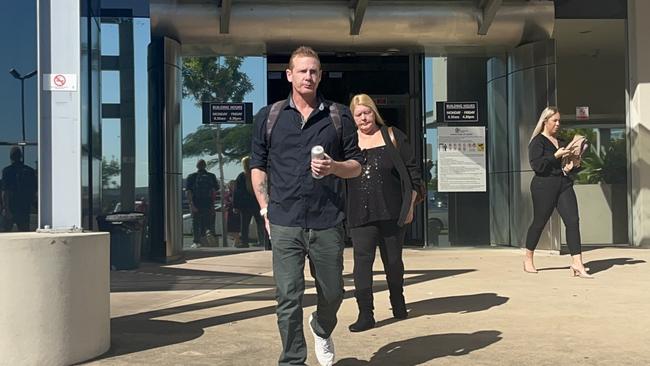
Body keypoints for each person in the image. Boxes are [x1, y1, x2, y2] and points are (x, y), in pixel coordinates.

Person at [250, 46, 363, 366]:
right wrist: (264, 208)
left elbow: (357, 165)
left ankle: (322, 326)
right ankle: (292, 359)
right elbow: (257, 165)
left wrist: (333, 168)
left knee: (334, 292)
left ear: (320, 75)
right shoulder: (269, 117)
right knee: (287, 297)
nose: (308, 76)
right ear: (289, 75)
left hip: (327, 219)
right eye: (302, 71)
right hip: (284, 219)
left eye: (314, 71)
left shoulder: (339, 116)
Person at [345, 94, 423, 332]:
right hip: (360, 214)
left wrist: (409, 206)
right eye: (358, 114)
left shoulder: (393, 135)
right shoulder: (348, 142)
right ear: (353, 118)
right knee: (362, 263)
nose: (363, 118)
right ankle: (365, 313)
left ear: (374, 112)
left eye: (367, 112)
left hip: (392, 212)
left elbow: (413, 174)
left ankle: (397, 302)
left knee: (393, 262)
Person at [524, 106, 592, 278]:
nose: (558, 124)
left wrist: (572, 165)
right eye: (555, 120)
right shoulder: (537, 142)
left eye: (559, 120)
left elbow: (568, 167)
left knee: (573, 221)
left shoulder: (562, 141)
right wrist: (555, 156)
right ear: (545, 121)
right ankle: (528, 258)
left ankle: (577, 263)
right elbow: (537, 166)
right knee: (540, 222)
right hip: (543, 186)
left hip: (564, 184)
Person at [233, 156, 267, 249]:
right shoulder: (255, 175)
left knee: (244, 225)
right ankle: (263, 241)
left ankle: (244, 242)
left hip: (245, 205)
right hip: (256, 203)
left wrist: (235, 205)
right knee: (260, 223)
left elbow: (236, 193)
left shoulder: (241, 176)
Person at [1, 147, 37, 232]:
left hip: (11, 206)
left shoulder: (7, 171)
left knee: (5, 234)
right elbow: (34, 191)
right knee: (24, 232)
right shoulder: (29, 171)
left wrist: (6, 209)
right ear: (21, 156)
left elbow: (5, 191)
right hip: (24, 207)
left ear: (10, 157)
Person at [185, 159, 219, 248]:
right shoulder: (211, 176)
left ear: (197, 166)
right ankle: (207, 240)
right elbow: (214, 191)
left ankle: (196, 242)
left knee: (196, 223)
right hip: (208, 203)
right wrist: (212, 204)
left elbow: (188, 192)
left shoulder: (192, 176)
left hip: (196, 203)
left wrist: (191, 204)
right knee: (208, 223)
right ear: (205, 166)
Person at [223, 180, 241, 247]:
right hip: (229, 212)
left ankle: (237, 241)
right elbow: (226, 202)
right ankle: (237, 240)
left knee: (237, 228)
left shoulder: (238, 193)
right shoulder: (228, 194)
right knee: (230, 230)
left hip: (237, 212)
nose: (232, 186)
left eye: (233, 185)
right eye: (230, 185)